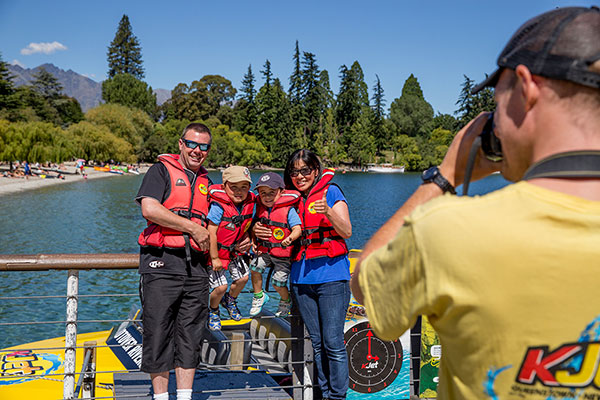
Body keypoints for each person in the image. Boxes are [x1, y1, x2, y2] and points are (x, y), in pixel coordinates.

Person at [352, 6, 600, 400]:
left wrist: (445, 175)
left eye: (498, 104)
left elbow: (367, 284)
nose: (496, 123)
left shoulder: (448, 231)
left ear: (525, 87)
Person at [256, 149, 352, 400]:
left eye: (305, 170)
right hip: (300, 280)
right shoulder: (287, 199)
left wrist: (328, 212)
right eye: (294, 171)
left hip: (332, 278)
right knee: (318, 344)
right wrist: (258, 230)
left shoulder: (331, 192)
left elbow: (347, 231)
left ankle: (338, 397)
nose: (299, 176)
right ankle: (323, 393)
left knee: (333, 343)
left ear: (316, 171)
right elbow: (268, 222)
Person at [136, 123, 212, 400]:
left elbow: (218, 223)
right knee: (158, 331)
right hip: (162, 263)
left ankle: (183, 396)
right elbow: (150, 208)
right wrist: (191, 228)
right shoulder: (159, 171)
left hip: (197, 267)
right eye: (192, 144)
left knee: (191, 333)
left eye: (203, 146)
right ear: (181, 144)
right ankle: (160, 397)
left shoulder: (206, 181)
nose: (197, 151)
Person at [206, 166, 254, 331]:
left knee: (243, 279)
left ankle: (230, 300)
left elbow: (249, 225)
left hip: (234, 252)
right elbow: (211, 232)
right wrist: (214, 258)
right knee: (220, 287)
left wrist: (250, 239)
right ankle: (213, 310)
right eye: (233, 187)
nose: (239, 191)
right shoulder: (218, 206)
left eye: (244, 187)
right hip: (217, 254)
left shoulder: (249, 204)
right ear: (224, 186)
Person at [248, 172, 302, 318]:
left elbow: (297, 228)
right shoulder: (260, 209)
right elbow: (254, 226)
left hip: (282, 255)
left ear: (281, 192)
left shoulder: (288, 210)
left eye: (272, 192)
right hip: (265, 251)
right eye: (263, 193)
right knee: (254, 268)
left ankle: (285, 300)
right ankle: (259, 296)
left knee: (277, 283)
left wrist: (290, 238)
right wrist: (253, 239)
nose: (267, 196)